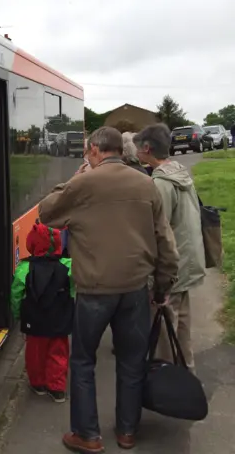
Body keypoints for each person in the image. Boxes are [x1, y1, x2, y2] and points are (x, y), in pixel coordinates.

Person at [38, 126, 179, 453]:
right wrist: (162, 287)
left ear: (95, 151)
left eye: (88, 152)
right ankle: (127, 432)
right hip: (135, 289)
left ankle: (88, 435)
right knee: (131, 361)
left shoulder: (84, 183)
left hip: (94, 291)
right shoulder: (147, 183)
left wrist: (75, 177)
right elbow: (165, 244)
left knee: (84, 360)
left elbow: (47, 212)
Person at [134, 123, 206, 374]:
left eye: (137, 148)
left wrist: (158, 277)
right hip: (188, 259)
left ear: (146, 148)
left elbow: (158, 232)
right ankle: (187, 372)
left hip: (173, 264)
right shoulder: (180, 174)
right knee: (182, 321)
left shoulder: (161, 184)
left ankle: (173, 379)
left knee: (166, 325)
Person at [11, 222, 74, 404]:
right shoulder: (68, 266)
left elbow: (16, 295)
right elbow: (74, 290)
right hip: (60, 321)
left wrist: (18, 315)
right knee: (59, 353)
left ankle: (38, 384)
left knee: (35, 354)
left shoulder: (24, 269)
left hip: (34, 321)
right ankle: (57, 389)